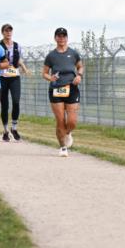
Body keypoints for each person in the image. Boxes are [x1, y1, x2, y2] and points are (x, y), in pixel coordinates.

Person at [42, 27, 83, 157]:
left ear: (67, 38)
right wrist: (51, 78)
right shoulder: (51, 56)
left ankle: (67, 133)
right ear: (55, 38)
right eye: (59, 36)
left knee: (72, 121)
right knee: (60, 120)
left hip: (72, 88)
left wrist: (79, 76)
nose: (61, 38)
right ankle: (63, 147)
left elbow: (80, 66)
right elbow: (44, 73)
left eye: (64, 36)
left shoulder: (73, 53)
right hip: (56, 89)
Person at [0, 23, 29, 142]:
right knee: (4, 105)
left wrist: (24, 68)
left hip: (15, 76)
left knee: (16, 101)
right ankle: (5, 130)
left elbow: (18, 58)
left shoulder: (17, 45)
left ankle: (14, 128)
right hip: (2, 77)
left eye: (10, 31)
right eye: (6, 31)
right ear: (3, 33)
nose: (8, 33)